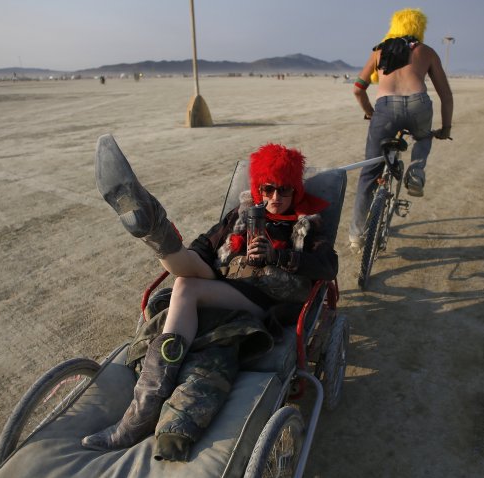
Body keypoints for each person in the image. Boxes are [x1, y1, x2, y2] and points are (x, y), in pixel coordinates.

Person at [81, 135, 338, 459]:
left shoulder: (306, 224)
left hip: (266, 298)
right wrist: (200, 254)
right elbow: (205, 245)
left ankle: (141, 413)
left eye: (283, 190)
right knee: (186, 270)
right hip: (224, 281)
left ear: (294, 190)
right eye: (267, 189)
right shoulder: (241, 214)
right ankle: (153, 227)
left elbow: (329, 266)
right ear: (258, 187)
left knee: (185, 287)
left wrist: (278, 256)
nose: (274, 197)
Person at [349, 8, 453, 250]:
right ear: (419, 27)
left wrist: (370, 113)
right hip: (419, 104)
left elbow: (357, 88)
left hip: (385, 109)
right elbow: (445, 94)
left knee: (368, 174)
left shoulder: (379, 50)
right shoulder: (426, 52)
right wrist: (445, 128)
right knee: (423, 137)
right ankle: (416, 172)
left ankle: (356, 235)